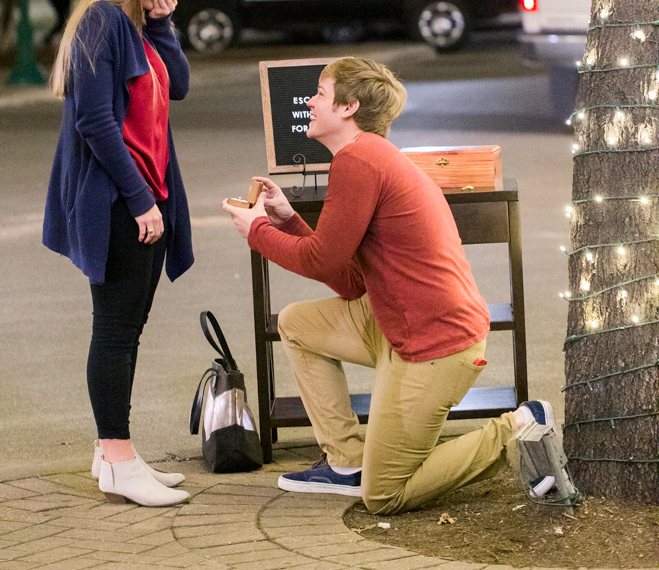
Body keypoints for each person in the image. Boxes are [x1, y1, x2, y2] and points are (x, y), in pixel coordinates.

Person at [223, 56, 554, 515]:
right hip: (402, 323)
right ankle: (344, 463)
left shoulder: (359, 161)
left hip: (437, 343)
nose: (309, 102)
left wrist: (257, 230)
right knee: (298, 322)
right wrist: (287, 219)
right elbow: (349, 280)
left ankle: (517, 428)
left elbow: (322, 260)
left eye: (319, 93)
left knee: (384, 495)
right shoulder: (366, 156)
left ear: (348, 106)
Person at [44, 0, 196, 506]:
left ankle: (116, 461)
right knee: (114, 332)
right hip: (120, 202)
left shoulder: (135, 24)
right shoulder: (102, 21)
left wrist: (163, 19)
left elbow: (178, 85)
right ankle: (117, 456)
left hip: (145, 196)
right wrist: (141, 201)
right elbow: (95, 123)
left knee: (125, 331)